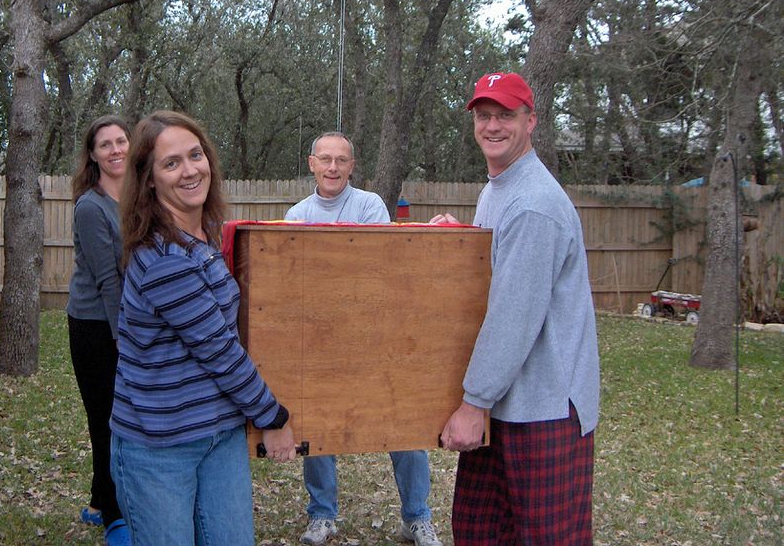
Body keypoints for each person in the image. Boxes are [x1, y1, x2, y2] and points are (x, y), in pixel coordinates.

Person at [110, 110, 297, 546]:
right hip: (161, 446)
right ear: (149, 180)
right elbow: (220, 352)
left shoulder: (203, 238)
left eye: (196, 155)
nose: (190, 170)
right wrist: (273, 416)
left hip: (220, 434)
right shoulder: (163, 259)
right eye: (171, 163)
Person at [432, 72, 600, 545]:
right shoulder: (499, 189)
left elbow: (513, 318)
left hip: (544, 408)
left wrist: (473, 404)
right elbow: (502, 272)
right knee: (480, 531)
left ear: (531, 122)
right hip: (505, 402)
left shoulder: (534, 204)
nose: (492, 126)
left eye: (505, 115)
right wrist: (464, 242)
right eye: (484, 116)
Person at [286, 132, 443, 546]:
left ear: (352, 166)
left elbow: (378, 269)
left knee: (405, 423)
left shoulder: (371, 205)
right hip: (321, 341)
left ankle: (416, 517)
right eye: (325, 159)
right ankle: (322, 515)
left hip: (376, 338)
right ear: (312, 164)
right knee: (316, 424)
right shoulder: (297, 215)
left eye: (341, 160)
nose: (333, 167)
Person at [68, 115, 133, 546]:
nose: (115, 150)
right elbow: (108, 279)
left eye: (121, 141)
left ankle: (96, 501)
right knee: (106, 419)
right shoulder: (91, 207)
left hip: (124, 319)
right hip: (95, 326)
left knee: (119, 415)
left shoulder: (139, 197)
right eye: (105, 144)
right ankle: (114, 517)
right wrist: (122, 337)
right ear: (92, 154)